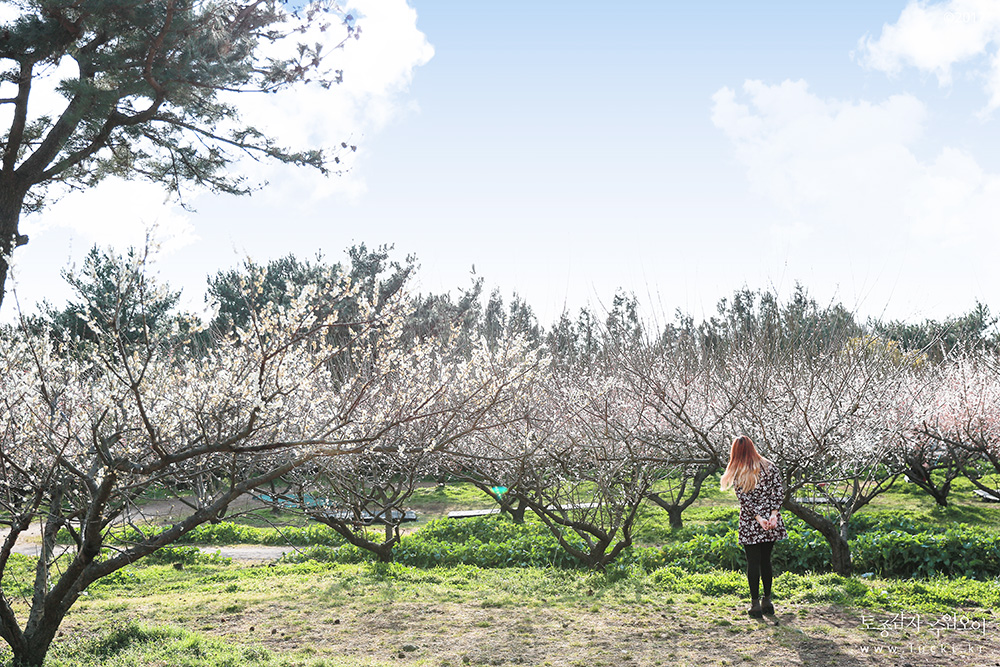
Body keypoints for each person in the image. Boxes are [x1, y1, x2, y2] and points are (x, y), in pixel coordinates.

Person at [720, 435, 787, 619]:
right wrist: (773, 515)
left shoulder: (739, 471)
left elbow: (744, 500)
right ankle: (767, 600)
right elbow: (779, 492)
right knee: (766, 560)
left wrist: (758, 518)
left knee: (753, 562)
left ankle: (755, 603)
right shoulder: (770, 466)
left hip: (751, 521)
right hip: (770, 520)